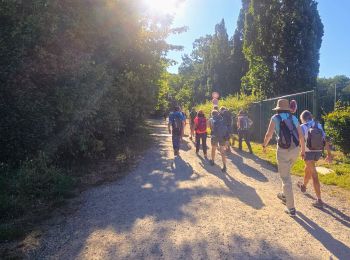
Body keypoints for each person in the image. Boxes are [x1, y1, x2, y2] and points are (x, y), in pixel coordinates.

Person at [262, 99, 305, 217]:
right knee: (286, 172)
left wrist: (264, 145)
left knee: (286, 178)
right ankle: (285, 195)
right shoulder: (294, 118)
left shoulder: (275, 118)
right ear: (287, 108)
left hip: (283, 151)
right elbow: (301, 135)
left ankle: (291, 208)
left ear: (278, 108)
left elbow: (268, 134)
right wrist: (302, 150)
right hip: (295, 150)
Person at [297, 110, 332, 208]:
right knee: (308, 168)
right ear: (310, 117)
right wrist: (329, 154)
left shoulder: (303, 126)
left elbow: (300, 141)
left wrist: (301, 151)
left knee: (314, 174)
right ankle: (303, 186)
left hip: (308, 153)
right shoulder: (319, 125)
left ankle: (319, 200)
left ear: (303, 119)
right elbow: (325, 140)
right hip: (318, 152)